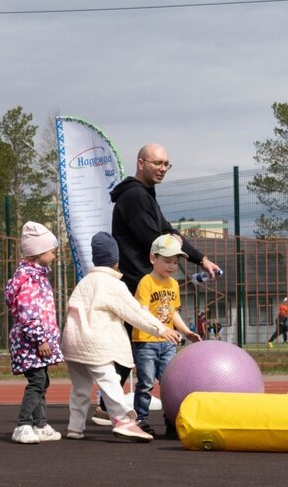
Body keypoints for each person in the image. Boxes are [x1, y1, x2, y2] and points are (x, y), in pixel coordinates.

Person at [93, 142, 221, 425]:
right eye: (157, 163)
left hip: (150, 279)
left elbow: (167, 232)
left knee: (133, 345)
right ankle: (116, 405)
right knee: (134, 346)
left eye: (166, 164)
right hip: (139, 282)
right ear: (141, 164)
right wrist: (173, 244)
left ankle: (108, 403)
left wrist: (201, 259)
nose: (163, 168)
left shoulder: (146, 194)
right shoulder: (135, 197)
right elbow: (156, 238)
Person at [60, 233, 180, 442]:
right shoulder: (113, 284)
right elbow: (134, 312)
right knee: (110, 381)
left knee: (80, 388)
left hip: (73, 343)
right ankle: (124, 421)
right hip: (96, 343)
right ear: (116, 261)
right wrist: (161, 329)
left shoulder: (84, 282)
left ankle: (75, 427)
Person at [131, 234, 202, 437]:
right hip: (146, 342)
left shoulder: (173, 285)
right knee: (145, 383)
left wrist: (186, 331)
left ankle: (171, 419)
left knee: (169, 382)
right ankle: (142, 420)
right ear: (154, 259)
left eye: (175, 262)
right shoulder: (146, 282)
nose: (172, 266)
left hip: (168, 342)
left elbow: (173, 313)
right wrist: (159, 329)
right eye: (167, 261)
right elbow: (142, 312)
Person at [4, 222, 64, 444]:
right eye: (52, 252)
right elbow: (29, 313)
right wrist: (41, 339)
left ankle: (40, 424)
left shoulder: (38, 277)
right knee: (37, 381)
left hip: (36, 341)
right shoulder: (30, 279)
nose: (54, 256)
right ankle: (23, 424)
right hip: (31, 342)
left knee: (42, 380)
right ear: (38, 253)